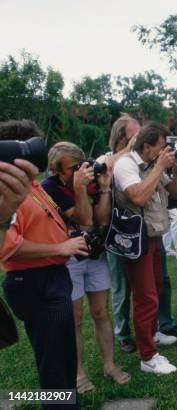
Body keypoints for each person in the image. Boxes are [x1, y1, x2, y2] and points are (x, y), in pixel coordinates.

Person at [1, 120, 89, 409]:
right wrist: (60, 246)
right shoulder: (8, 192)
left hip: (53, 276)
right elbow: (8, 246)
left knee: (62, 360)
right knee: (54, 365)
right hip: (34, 281)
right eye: (34, 148)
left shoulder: (34, 186)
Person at [42, 142, 129, 393]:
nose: (79, 171)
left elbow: (100, 220)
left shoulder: (87, 183)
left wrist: (102, 188)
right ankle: (78, 373)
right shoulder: (50, 188)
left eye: (81, 165)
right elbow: (83, 218)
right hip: (70, 258)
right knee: (76, 319)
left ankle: (110, 365)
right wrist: (80, 188)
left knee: (101, 313)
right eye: (73, 168)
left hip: (94, 253)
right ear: (57, 169)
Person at [100, 115, 177, 355]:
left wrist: (176, 173)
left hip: (154, 235)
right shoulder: (127, 164)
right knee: (144, 295)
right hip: (136, 239)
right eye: (161, 146)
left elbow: (174, 195)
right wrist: (159, 167)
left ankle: (153, 331)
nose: (164, 151)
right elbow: (137, 196)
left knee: (156, 288)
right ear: (147, 146)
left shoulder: (151, 165)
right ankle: (147, 354)